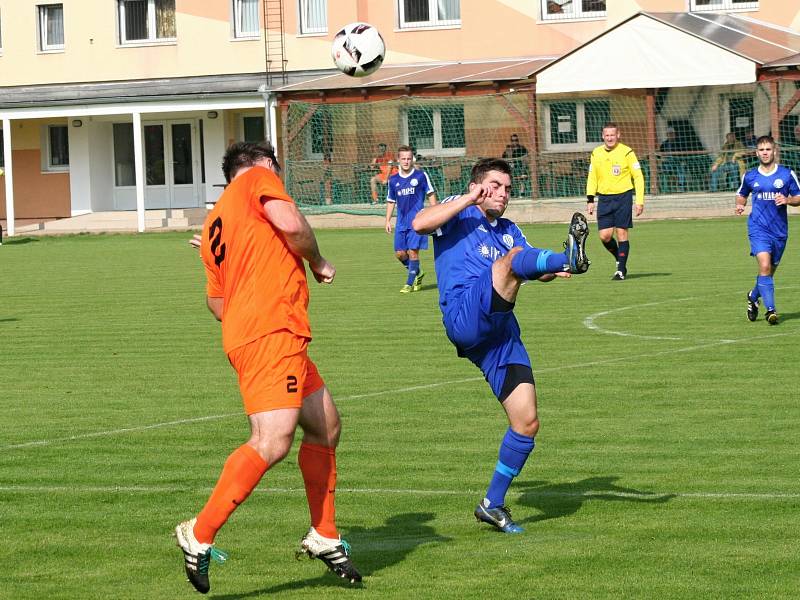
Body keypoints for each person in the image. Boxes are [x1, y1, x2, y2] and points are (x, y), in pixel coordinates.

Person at [176, 141, 361, 594]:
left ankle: (324, 533)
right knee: (272, 440)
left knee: (325, 426)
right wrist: (316, 260)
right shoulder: (259, 179)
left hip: (263, 333)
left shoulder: (217, 218)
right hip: (270, 332)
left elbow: (218, 304)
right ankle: (198, 534)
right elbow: (291, 223)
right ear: (264, 166)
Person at [412, 157, 590, 534]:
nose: (504, 194)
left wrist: (552, 270)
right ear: (478, 185)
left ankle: (491, 504)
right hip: (464, 313)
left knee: (526, 422)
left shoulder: (509, 230)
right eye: (496, 185)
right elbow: (418, 224)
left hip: (499, 330)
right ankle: (569, 254)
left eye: (508, 188)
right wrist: (467, 199)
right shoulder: (455, 213)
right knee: (510, 261)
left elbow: (524, 266)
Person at [735, 135, 800, 325]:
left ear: (774, 151)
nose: (765, 153)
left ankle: (753, 296)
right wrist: (740, 205)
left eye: (768, 149)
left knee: (768, 272)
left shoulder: (787, 174)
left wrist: (787, 200)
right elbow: (741, 195)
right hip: (758, 228)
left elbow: (798, 197)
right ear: (757, 153)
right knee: (764, 266)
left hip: (779, 231)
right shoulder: (750, 175)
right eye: (761, 150)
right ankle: (771, 310)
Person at [585, 121, 645, 280]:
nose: (610, 138)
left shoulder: (627, 152)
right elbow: (592, 177)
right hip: (604, 199)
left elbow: (638, 177)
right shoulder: (596, 153)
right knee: (604, 236)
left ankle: (621, 269)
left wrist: (639, 201)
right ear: (602, 136)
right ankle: (620, 257)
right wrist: (590, 199)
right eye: (607, 135)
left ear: (618, 135)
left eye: (613, 135)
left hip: (623, 197)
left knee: (621, 232)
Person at [385, 145, 438, 293]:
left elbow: (431, 193)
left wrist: (435, 213)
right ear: (398, 160)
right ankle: (417, 273)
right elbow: (391, 201)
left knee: (413, 252)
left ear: (412, 159)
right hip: (401, 222)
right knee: (400, 254)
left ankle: (409, 283)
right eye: (403, 159)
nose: (406, 161)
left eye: (409, 159)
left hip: (417, 221)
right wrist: (388, 220)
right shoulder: (393, 180)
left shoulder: (421, 176)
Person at [658, 127, 686, 192]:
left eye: (672, 134)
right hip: (667, 163)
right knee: (662, 169)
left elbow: (684, 153)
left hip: (677, 162)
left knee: (681, 169)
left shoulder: (679, 143)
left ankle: (680, 187)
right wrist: (662, 158)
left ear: (675, 134)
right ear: (667, 135)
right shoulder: (664, 144)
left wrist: (682, 160)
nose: (671, 135)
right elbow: (660, 155)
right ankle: (663, 189)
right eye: (669, 134)